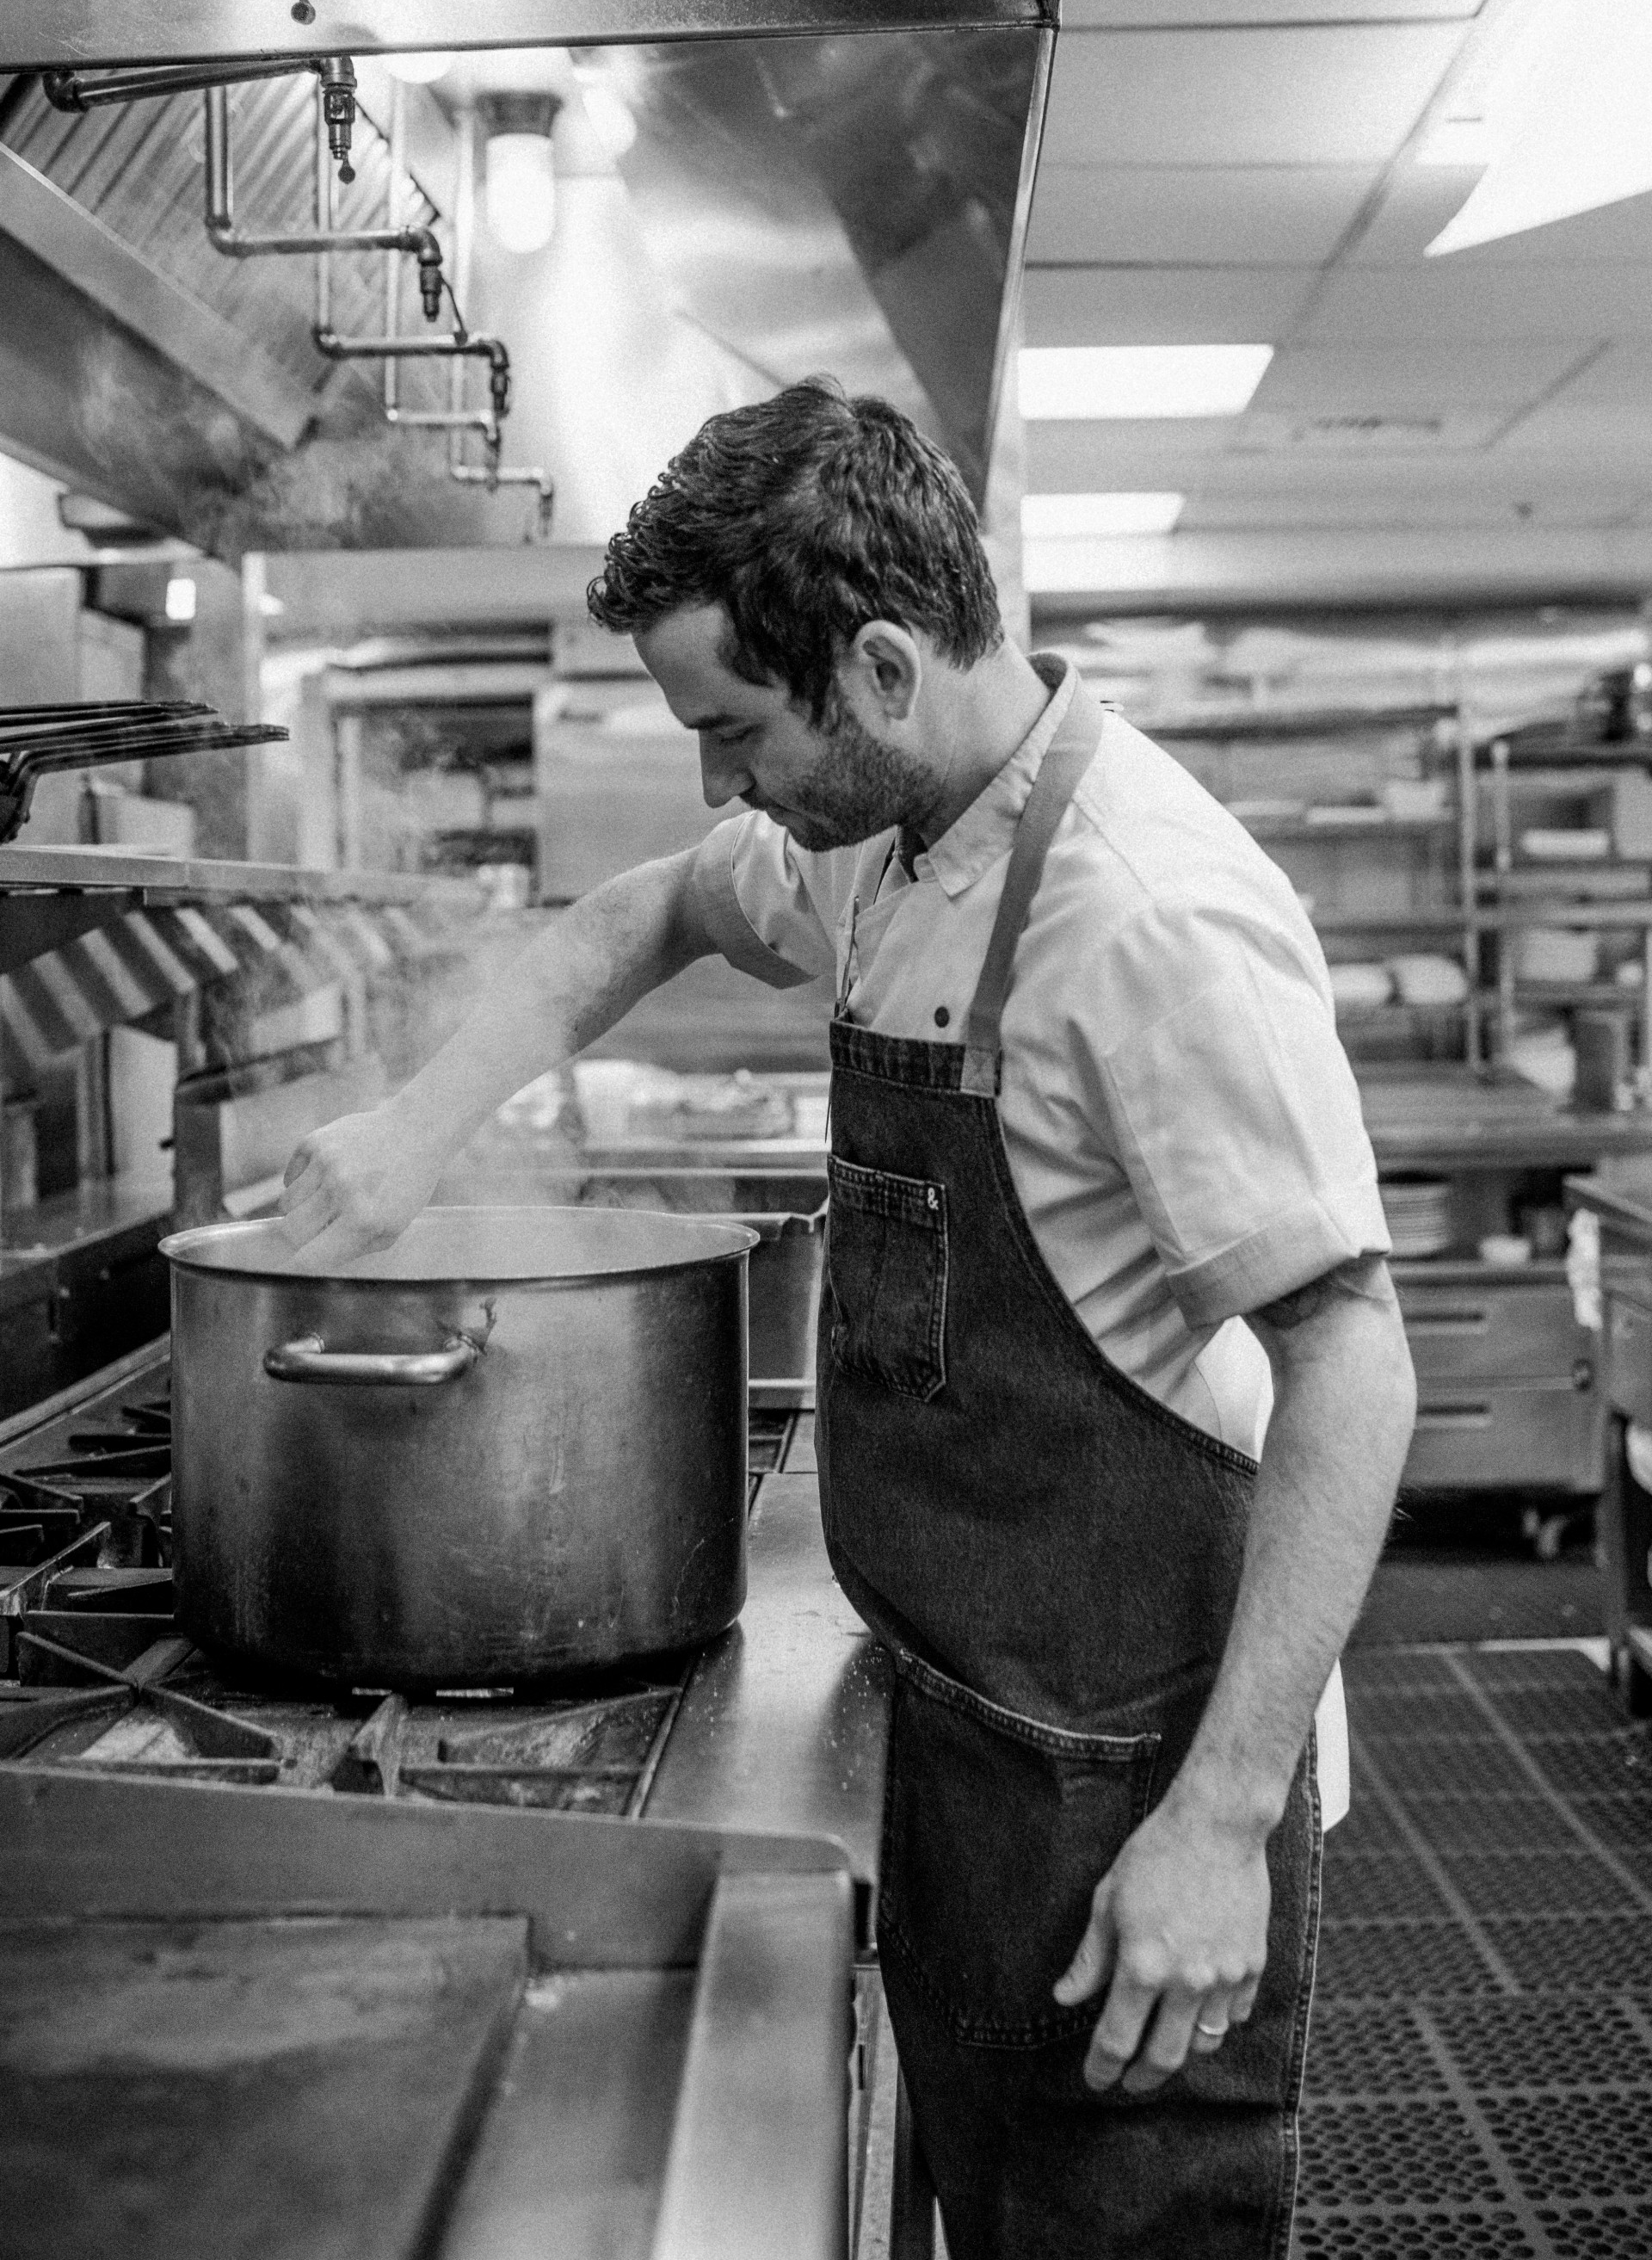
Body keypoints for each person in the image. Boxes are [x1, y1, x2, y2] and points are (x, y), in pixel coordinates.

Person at [278, 379, 1416, 2257]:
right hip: (977, 1712)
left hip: (1140, 1762)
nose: (721, 784)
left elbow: (1352, 1360)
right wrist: (410, 1134)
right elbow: (629, 922)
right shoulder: (895, 844)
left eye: (732, 730)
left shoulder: (1140, 917)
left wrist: (1217, 1822)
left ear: (880, 669)